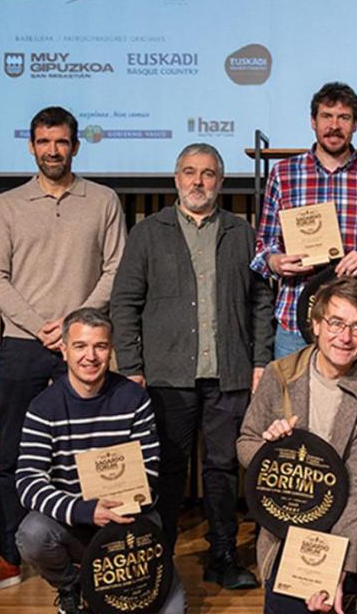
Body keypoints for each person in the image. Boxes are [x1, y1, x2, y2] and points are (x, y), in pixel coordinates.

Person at [0, 106, 126, 596]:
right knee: (14, 455)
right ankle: (8, 557)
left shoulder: (103, 200)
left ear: (76, 145)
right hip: (23, 345)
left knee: (90, 454)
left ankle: (89, 547)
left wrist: (75, 324)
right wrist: (41, 326)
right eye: (43, 142)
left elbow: (116, 270)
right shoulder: (9, 204)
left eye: (60, 142)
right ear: (31, 146)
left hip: (83, 349)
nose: (52, 150)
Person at [111, 143, 275, 588]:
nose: (198, 181)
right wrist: (131, 366)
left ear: (219, 182)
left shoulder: (242, 232)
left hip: (230, 374)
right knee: (166, 467)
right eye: (189, 172)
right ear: (176, 179)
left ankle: (223, 554)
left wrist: (261, 360)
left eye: (207, 174)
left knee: (222, 467)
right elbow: (125, 302)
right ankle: (158, 557)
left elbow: (262, 301)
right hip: (166, 376)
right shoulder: (149, 232)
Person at [236, 277, 357, 614]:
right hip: (290, 518)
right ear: (316, 324)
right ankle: (315, 594)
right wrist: (270, 452)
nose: (344, 337)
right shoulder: (280, 375)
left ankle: (352, 592)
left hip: (351, 509)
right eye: (335, 323)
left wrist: (334, 568)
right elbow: (245, 443)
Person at [14, 308, 184, 614]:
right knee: (32, 534)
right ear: (63, 349)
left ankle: (115, 583)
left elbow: (148, 470)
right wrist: (84, 510)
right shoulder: (43, 407)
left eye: (100, 347)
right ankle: (73, 588)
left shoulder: (134, 398)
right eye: (80, 346)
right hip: (75, 524)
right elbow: (28, 481)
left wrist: (118, 509)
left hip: (131, 523)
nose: (90, 356)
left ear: (111, 349)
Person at [251, 82, 357, 367]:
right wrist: (276, 262)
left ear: (355, 124)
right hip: (296, 322)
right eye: (326, 116)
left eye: (343, 118)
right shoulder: (283, 174)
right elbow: (263, 246)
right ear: (313, 121)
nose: (334, 126)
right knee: (293, 409)